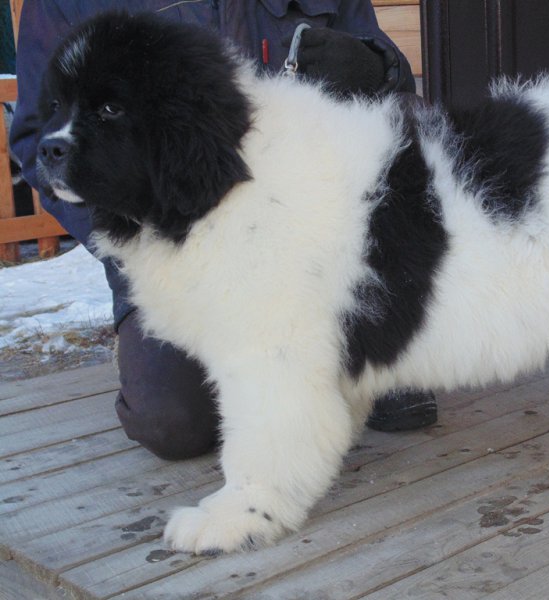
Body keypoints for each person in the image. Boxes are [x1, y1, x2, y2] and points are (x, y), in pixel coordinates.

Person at [10, 0, 437, 460]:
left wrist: (371, 65)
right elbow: (39, 136)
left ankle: (356, 348)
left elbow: (394, 84)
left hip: (323, 233)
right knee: (172, 422)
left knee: (384, 384)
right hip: (174, 244)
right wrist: (134, 233)